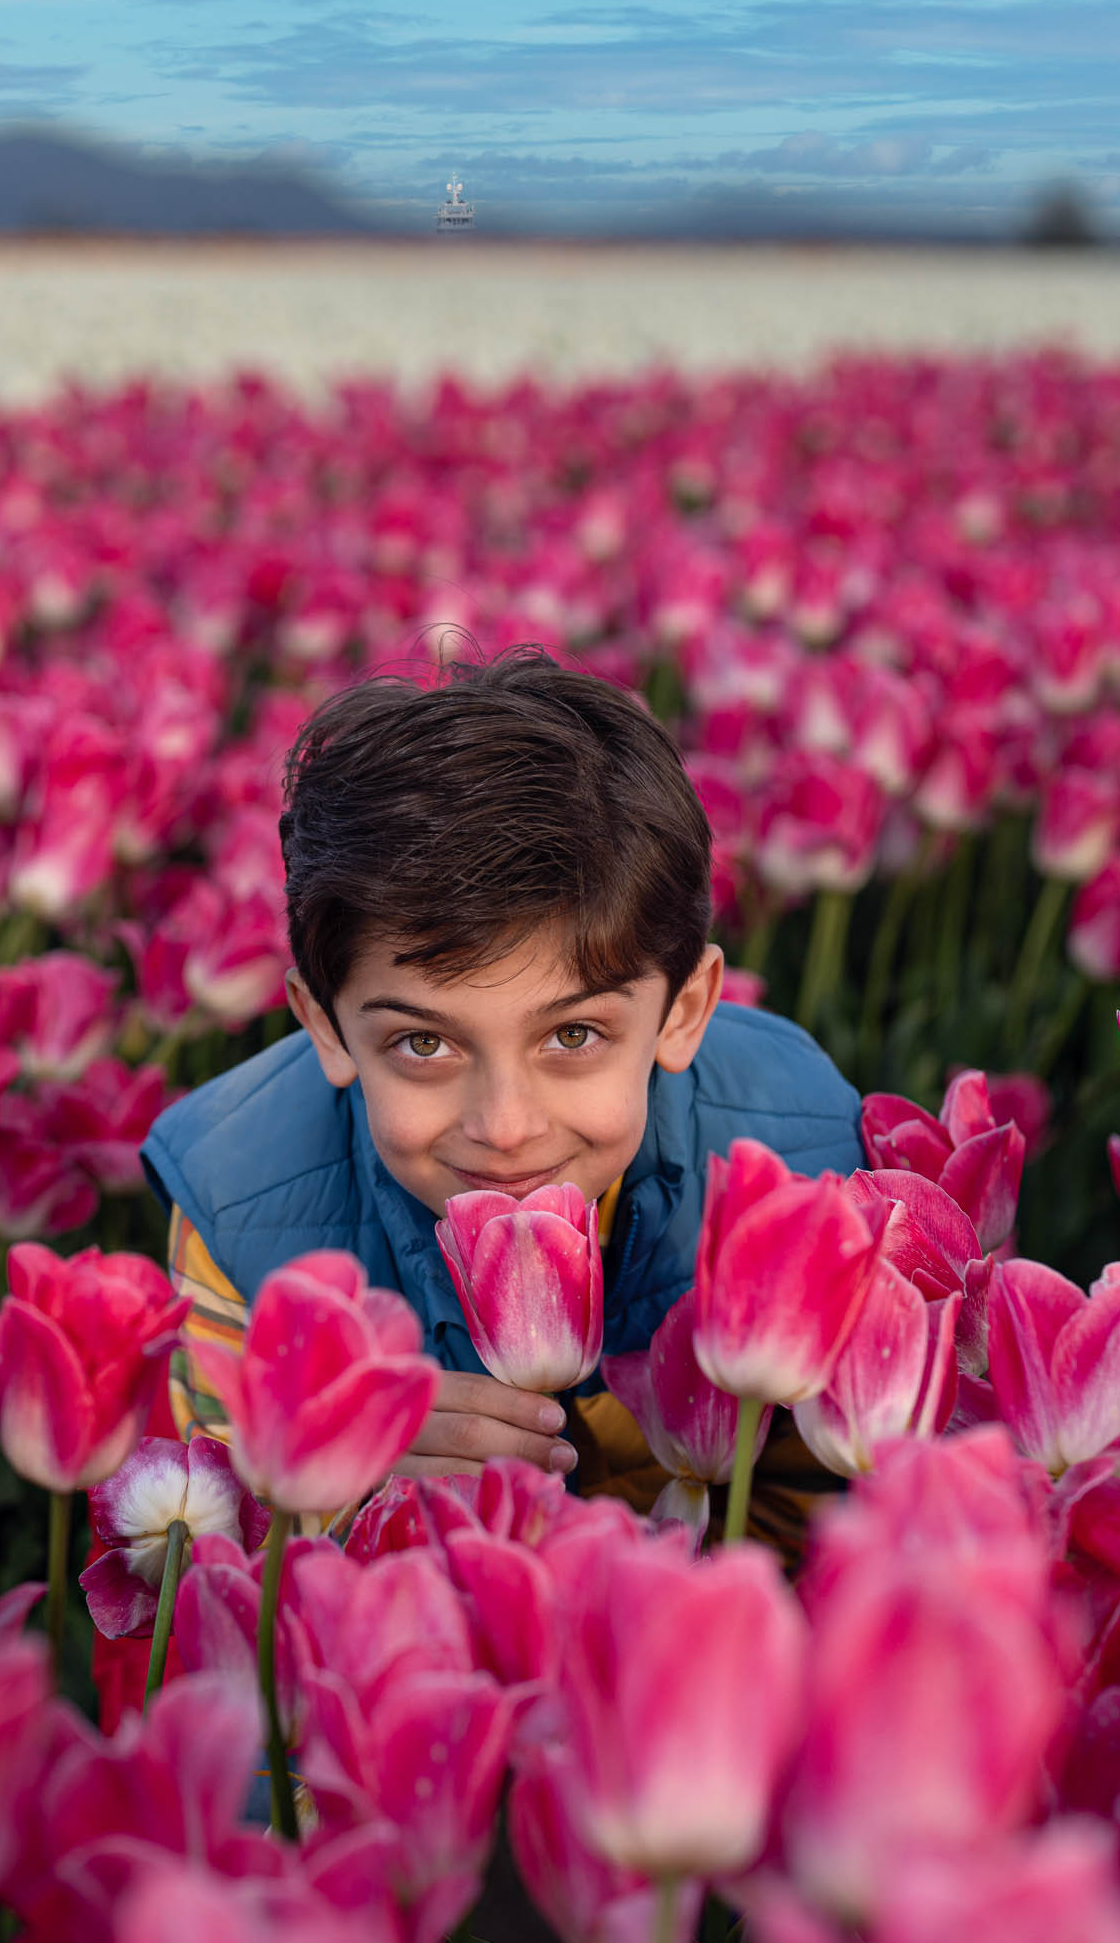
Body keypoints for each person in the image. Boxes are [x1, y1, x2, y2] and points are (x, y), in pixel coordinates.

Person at [139, 649, 861, 1537]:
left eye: (573, 1035)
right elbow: (198, 1564)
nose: (506, 1130)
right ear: (324, 1026)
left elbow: (837, 1529)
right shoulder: (238, 1206)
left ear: (685, 1009)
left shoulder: (809, 1168)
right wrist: (329, 1488)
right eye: (424, 1043)